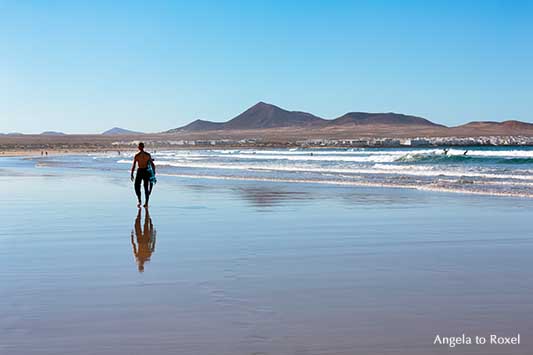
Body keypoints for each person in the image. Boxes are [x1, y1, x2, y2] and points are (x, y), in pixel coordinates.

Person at [130, 208, 156, 272]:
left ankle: (144, 213)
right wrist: (154, 236)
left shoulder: (140, 257)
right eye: (140, 266)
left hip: (141, 240)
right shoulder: (146, 257)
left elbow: (134, 246)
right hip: (144, 240)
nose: (140, 264)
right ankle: (145, 213)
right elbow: (152, 248)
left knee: (143, 224)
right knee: (144, 224)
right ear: (142, 266)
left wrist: (132, 237)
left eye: (139, 266)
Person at [131, 142, 156, 208]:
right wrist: (153, 173)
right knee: (142, 187)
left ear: (139, 147)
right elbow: (153, 165)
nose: (139, 147)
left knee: (140, 186)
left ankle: (142, 201)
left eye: (139, 146)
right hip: (143, 171)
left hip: (142, 171)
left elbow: (134, 166)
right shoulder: (145, 155)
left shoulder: (139, 155)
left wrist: (132, 174)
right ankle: (144, 202)